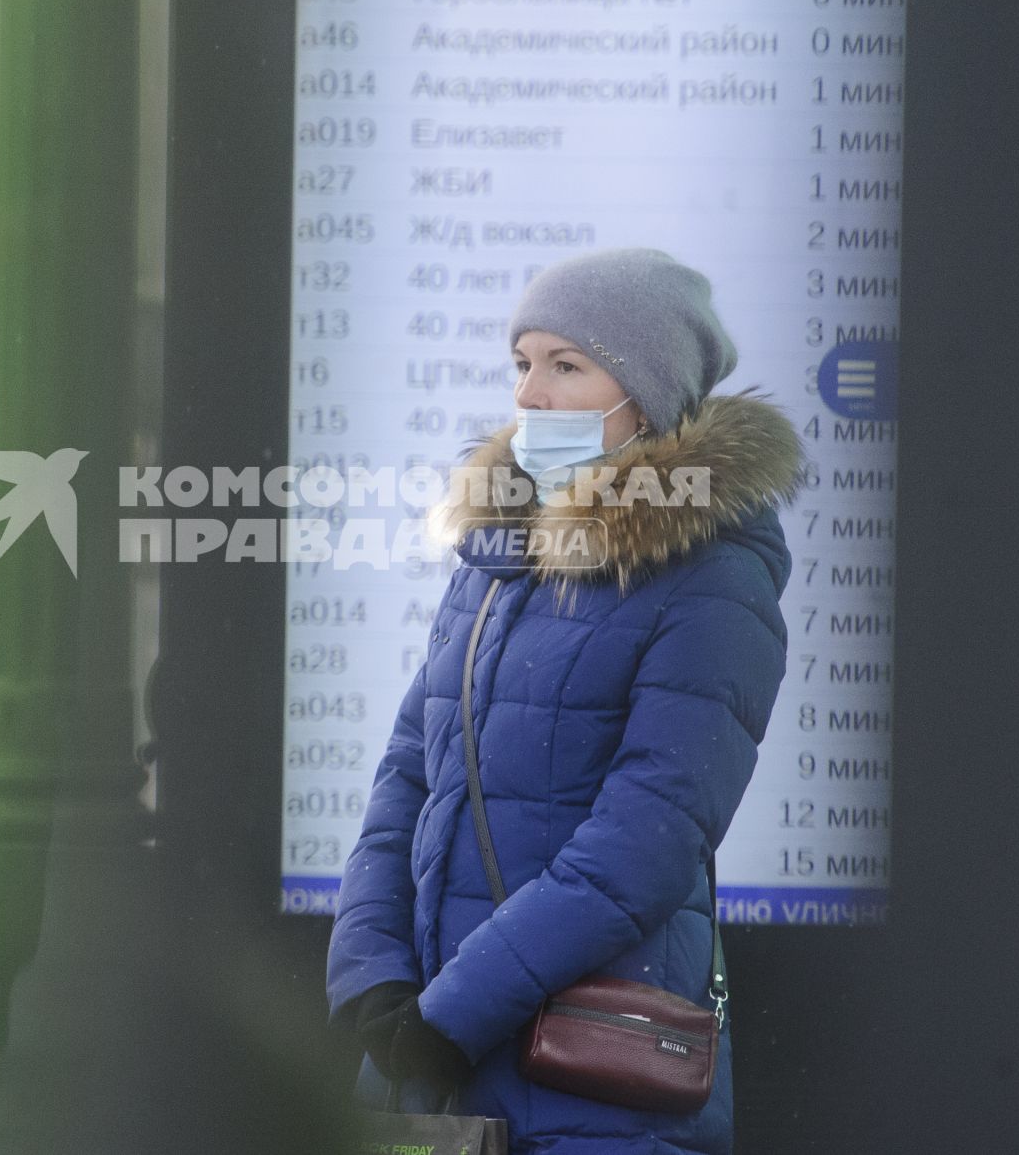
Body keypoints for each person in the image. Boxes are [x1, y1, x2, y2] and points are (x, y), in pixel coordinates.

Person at [326, 248, 804, 1154]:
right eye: (522, 363)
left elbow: (644, 846)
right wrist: (373, 981)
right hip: (431, 1073)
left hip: (595, 1089)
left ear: (647, 396)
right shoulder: (495, 561)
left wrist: (450, 1013)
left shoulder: (714, 580)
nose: (530, 396)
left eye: (566, 364)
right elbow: (404, 780)